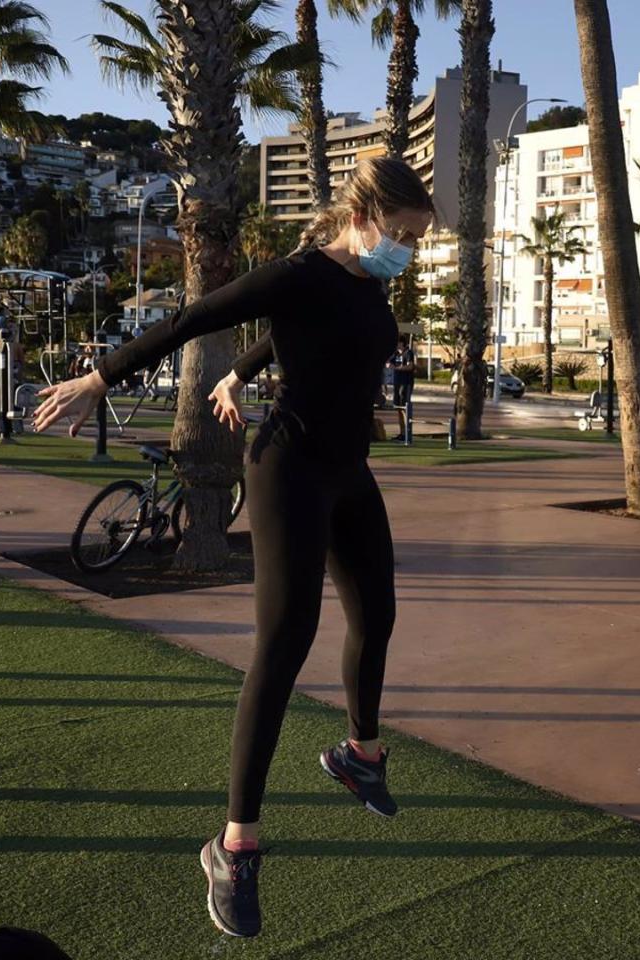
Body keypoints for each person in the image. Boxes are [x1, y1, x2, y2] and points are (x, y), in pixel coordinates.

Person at [31, 157, 435, 938]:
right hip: (288, 469)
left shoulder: (366, 282)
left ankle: (360, 753)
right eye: (405, 236)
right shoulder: (295, 273)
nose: (408, 253)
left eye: (417, 241)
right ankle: (234, 844)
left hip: (349, 472)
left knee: (377, 614)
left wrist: (244, 373)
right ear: (364, 219)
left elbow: (324, 339)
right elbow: (194, 318)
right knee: (285, 643)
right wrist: (100, 378)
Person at [388, 333, 416, 409]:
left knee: (404, 401)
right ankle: (401, 420)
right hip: (397, 381)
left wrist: (397, 368)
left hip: (406, 382)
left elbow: (410, 366)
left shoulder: (408, 353)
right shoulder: (395, 353)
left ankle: (406, 420)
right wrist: (389, 365)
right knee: (397, 404)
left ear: (401, 343)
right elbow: (388, 363)